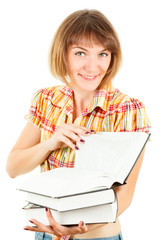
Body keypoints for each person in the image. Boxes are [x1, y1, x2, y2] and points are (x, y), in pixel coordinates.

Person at [6, 9, 151, 240]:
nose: (93, 67)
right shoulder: (47, 99)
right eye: (81, 53)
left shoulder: (127, 108)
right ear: (62, 54)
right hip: (46, 235)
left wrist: (76, 228)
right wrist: (50, 143)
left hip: (98, 236)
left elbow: (124, 196)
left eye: (102, 54)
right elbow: (13, 167)